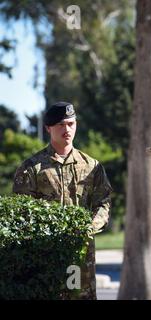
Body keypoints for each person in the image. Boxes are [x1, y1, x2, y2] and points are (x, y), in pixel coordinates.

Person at [13, 101, 113, 300]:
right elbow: (22, 213)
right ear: (48, 128)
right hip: (47, 256)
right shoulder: (32, 168)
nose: (67, 129)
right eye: (60, 125)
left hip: (82, 255)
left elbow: (104, 202)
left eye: (71, 123)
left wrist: (89, 227)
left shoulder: (92, 166)